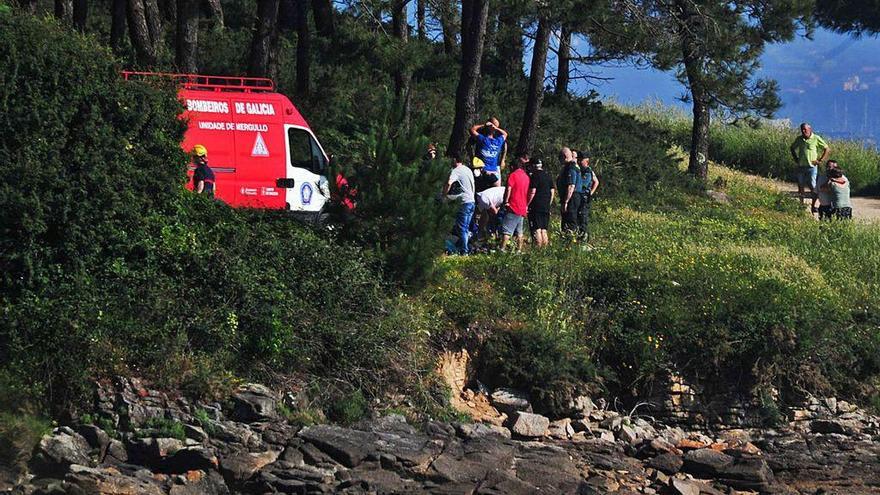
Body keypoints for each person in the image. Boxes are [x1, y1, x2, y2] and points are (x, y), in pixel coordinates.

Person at [790, 122, 830, 209]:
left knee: (813, 186)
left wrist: (820, 160)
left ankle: (814, 204)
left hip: (811, 167)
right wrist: (796, 158)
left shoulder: (816, 138)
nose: (804, 131)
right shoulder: (799, 139)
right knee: (800, 185)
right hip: (801, 166)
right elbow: (792, 148)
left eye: (805, 129)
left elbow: (826, 148)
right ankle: (801, 204)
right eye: (802, 130)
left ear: (810, 129)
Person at [444, 155, 476, 254]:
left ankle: (464, 251)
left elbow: (449, 183)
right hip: (472, 201)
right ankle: (465, 248)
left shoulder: (456, 170)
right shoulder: (467, 169)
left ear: (455, 159)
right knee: (465, 228)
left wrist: (444, 194)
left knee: (462, 228)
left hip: (465, 202)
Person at [500, 154, 531, 251]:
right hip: (522, 207)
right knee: (519, 231)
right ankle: (519, 250)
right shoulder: (526, 177)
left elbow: (509, 189)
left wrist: (505, 201)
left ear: (513, 167)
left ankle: (502, 248)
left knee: (506, 230)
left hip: (513, 205)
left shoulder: (513, 175)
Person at [470, 119, 508, 186]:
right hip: (490, 170)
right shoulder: (498, 141)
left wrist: (484, 125)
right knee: (496, 189)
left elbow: (472, 130)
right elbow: (505, 134)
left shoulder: (482, 139)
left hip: (484, 170)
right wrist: (496, 128)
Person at [527, 158, 555, 247]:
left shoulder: (534, 176)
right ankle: (545, 249)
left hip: (536, 205)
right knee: (544, 229)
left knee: (537, 229)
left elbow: (533, 191)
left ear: (533, 166)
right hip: (546, 205)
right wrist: (549, 202)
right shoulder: (548, 175)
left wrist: (527, 204)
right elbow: (552, 191)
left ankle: (538, 248)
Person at [576, 153, 600, 239]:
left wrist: (590, 193)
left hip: (583, 197)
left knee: (583, 217)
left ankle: (583, 237)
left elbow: (583, 185)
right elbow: (596, 181)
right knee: (579, 217)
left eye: (581, 160)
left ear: (586, 161)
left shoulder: (587, 171)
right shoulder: (582, 170)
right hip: (581, 197)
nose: (579, 162)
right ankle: (580, 235)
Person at [557, 149, 581, 234]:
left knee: (570, 220)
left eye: (560, 157)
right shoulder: (570, 167)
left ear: (565, 157)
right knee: (566, 220)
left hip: (572, 198)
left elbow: (571, 186)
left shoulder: (571, 168)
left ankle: (570, 241)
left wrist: (566, 201)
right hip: (571, 197)